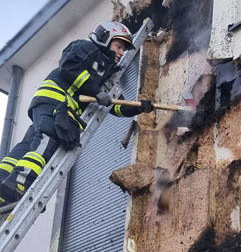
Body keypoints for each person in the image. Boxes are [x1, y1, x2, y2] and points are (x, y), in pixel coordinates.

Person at [0, 21, 154, 206]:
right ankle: (20, 183)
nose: (121, 53)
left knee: (29, 143)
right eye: (119, 46)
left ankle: (3, 182)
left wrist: (138, 107)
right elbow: (69, 65)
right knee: (48, 138)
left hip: (55, 105)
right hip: (55, 100)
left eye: (123, 49)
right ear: (105, 38)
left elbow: (115, 105)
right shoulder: (87, 49)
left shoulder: (107, 76)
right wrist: (96, 92)